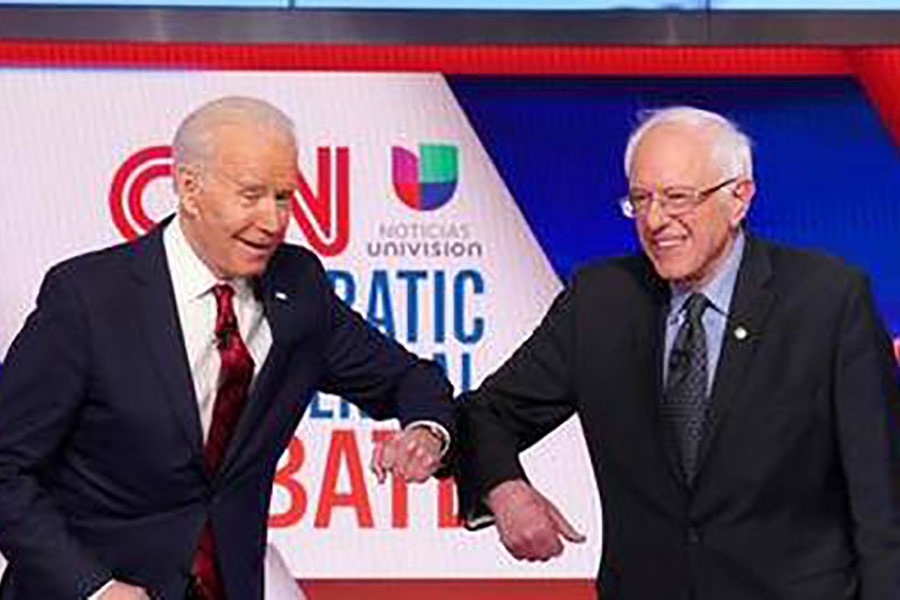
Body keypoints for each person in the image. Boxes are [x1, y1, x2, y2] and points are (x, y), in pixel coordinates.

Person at [0, 96, 453, 599]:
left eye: (283, 197)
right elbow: (5, 467)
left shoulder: (298, 287)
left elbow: (408, 377)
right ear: (189, 189)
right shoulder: (88, 298)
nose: (273, 220)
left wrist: (426, 430)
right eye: (252, 195)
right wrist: (94, 588)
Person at [457, 106, 900, 599]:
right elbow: (487, 412)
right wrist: (505, 489)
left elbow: (881, 502)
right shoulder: (600, 300)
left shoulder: (828, 300)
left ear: (739, 199)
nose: (655, 219)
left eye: (677, 198)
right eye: (640, 199)